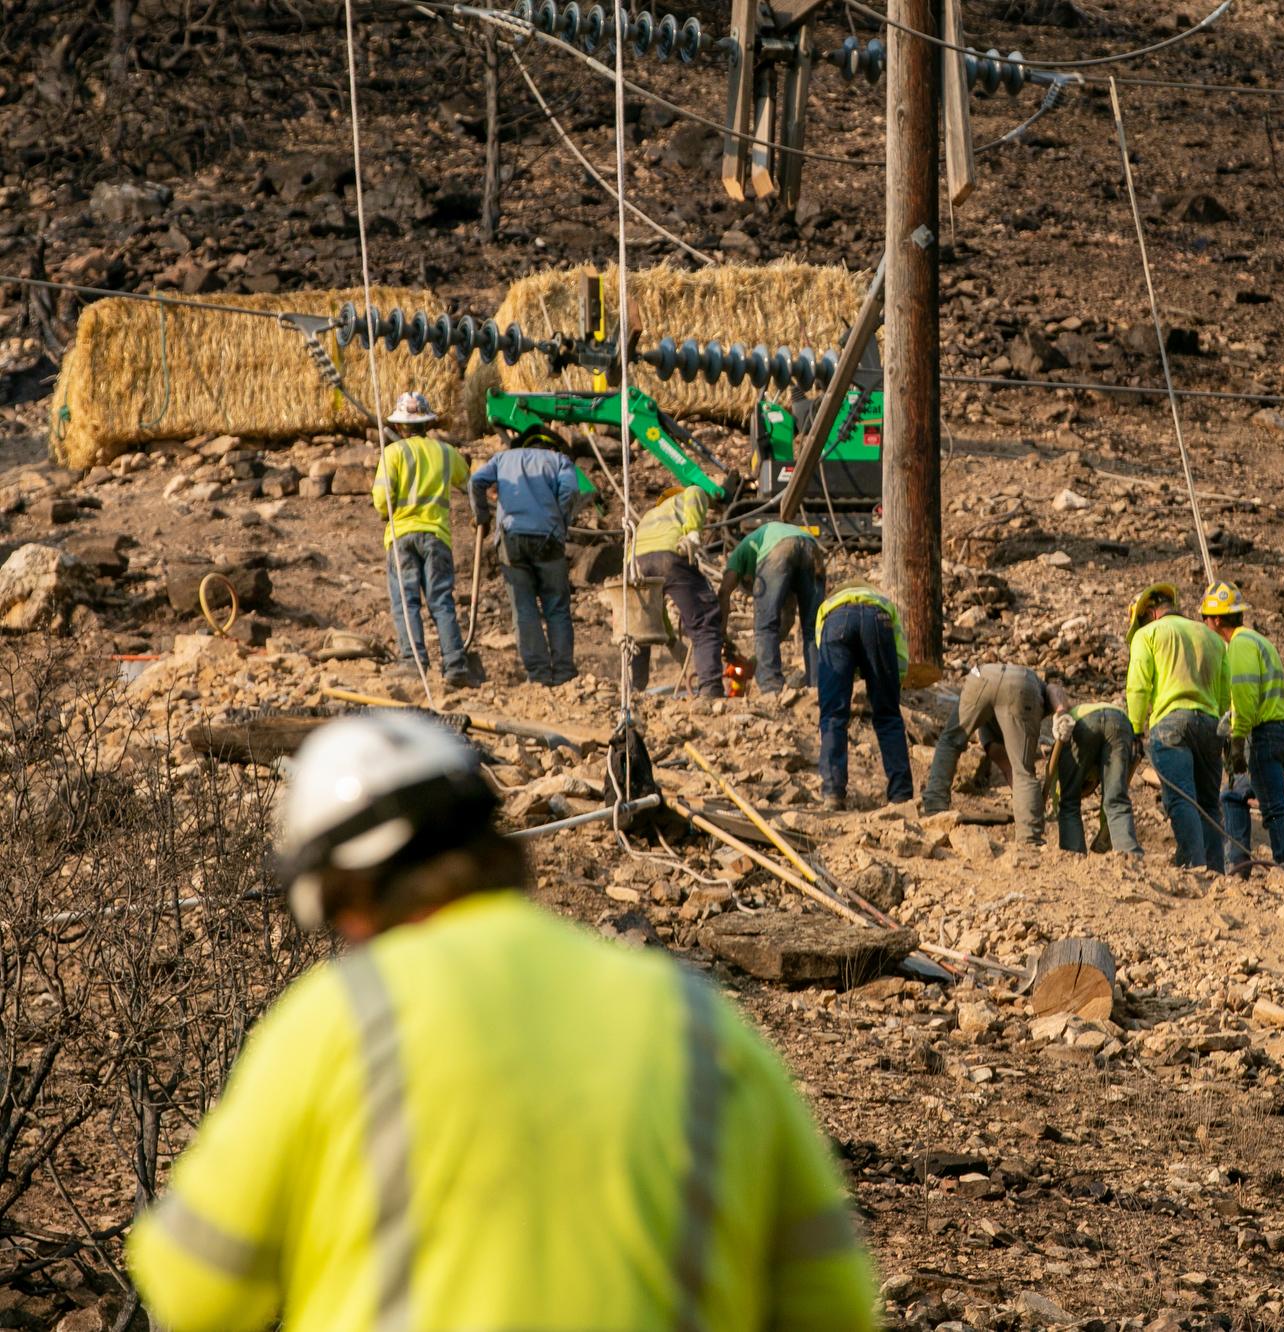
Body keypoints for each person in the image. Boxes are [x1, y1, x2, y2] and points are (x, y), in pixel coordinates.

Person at [124, 712, 878, 1332]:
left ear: (341, 897)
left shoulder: (335, 1023)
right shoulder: (698, 1021)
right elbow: (833, 1307)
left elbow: (193, 1293)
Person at [1201, 581, 1284, 875]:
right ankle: (1237, 865)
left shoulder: (1241, 645)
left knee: (1273, 806)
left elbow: (1245, 698)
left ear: (1217, 619)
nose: (1204, 624)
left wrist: (1236, 744)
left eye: (1205, 619)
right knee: (1233, 795)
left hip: (1264, 737)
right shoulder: (1260, 641)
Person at [1124, 582, 1229, 871]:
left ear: (1149, 613)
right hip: (1211, 724)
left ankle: (1193, 867)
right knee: (1209, 804)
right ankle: (1215, 870)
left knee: (1181, 798)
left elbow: (1138, 685)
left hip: (1170, 725)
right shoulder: (1212, 638)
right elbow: (1224, 690)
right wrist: (1220, 725)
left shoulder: (1148, 634)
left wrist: (1135, 727)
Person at [372, 391, 472, 687]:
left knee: (406, 602)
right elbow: (470, 484)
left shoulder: (392, 454)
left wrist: (387, 513)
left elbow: (381, 500)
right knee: (441, 600)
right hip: (437, 536)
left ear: (401, 427)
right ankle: (455, 664)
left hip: (401, 536)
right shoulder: (445, 452)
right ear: (428, 424)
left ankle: (413, 662)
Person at [468, 425, 580, 686]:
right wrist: (560, 520)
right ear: (549, 445)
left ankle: (538, 674)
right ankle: (563, 671)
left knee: (524, 607)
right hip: (549, 538)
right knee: (556, 606)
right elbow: (571, 491)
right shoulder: (560, 461)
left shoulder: (502, 459)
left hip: (511, 539)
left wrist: (482, 515)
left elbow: (476, 481)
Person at [921, 663, 1064, 846]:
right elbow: (1054, 687)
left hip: (982, 677)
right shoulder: (1043, 691)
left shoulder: (995, 727)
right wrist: (1061, 712)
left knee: (950, 741)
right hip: (1020, 685)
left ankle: (934, 808)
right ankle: (1029, 839)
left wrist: (1027, 804)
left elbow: (1007, 766)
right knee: (1022, 769)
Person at [816, 579, 911, 811]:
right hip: (877, 622)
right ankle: (901, 795)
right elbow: (900, 656)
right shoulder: (883, 603)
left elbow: (824, 650)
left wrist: (848, 675)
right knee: (888, 715)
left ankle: (833, 794)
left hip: (836, 624)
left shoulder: (827, 606)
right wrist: (890, 684)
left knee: (833, 716)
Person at [629, 483, 724, 696]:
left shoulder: (650, 515)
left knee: (641, 627)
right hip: (669, 554)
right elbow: (696, 492)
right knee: (704, 621)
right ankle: (711, 689)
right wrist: (692, 533)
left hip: (634, 563)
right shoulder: (682, 497)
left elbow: (656, 611)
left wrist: (671, 641)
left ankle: (635, 689)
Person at [717, 519, 823, 693]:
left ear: (746, 578)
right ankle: (818, 687)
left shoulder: (738, 555)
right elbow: (785, 623)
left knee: (764, 625)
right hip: (811, 546)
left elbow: (724, 592)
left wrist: (721, 633)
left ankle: (770, 687)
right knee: (813, 628)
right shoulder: (784, 579)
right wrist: (754, 661)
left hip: (778, 549)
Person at [1050, 701, 1141, 856]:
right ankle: (1130, 856)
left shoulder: (1063, 758)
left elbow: (1058, 795)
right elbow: (1110, 799)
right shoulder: (1097, 768)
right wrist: (1104, 839)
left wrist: (1102, 841)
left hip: (1083, 722)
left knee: (1069, 801)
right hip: (1120, 721)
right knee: (1117, 801)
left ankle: (1073, 855)